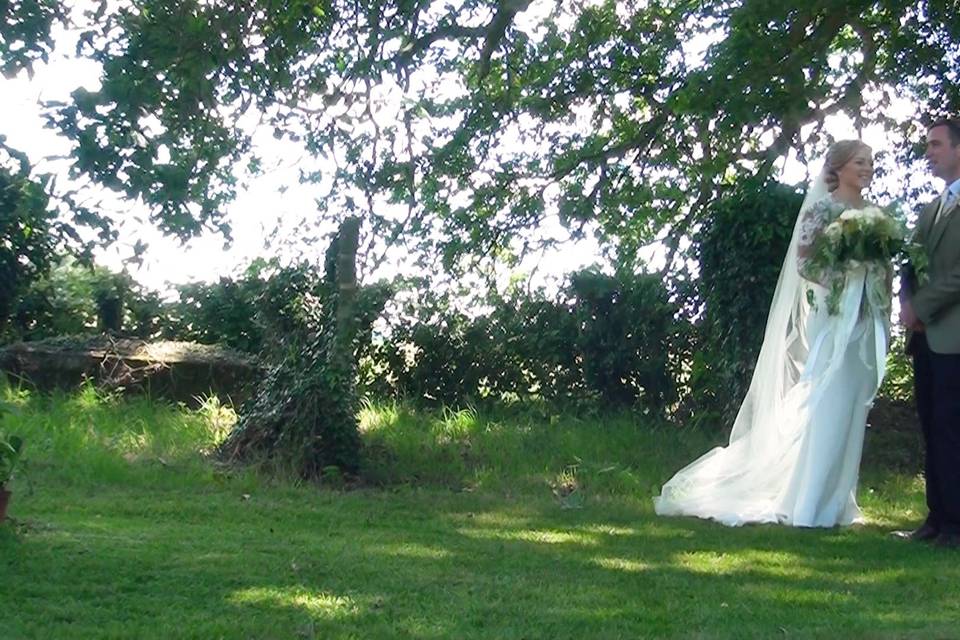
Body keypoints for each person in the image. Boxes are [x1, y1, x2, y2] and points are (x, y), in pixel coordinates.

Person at [654, 140, 893, 527]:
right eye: (860, 162)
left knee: (852, 407)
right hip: (832, 317)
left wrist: (881, 303)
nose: (868, 168)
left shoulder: (874, 214)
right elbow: (806, 264)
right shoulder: (822, 209)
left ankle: (837, 504)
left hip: (864, 321)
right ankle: (808, 503)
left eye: (871, 161)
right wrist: (848, 276)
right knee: (828, 403)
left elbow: (884, 269)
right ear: (840, 167)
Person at [897, 117, 960, 548]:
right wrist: (905, 301)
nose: (929, 152)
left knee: (953, 427)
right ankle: (936, 517)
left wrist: (921, 306)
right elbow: (912, 259)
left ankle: (956, 525)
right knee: (932, 426)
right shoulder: (932, 207)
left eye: (936, 144)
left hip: (954, 335)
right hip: (926, 338)